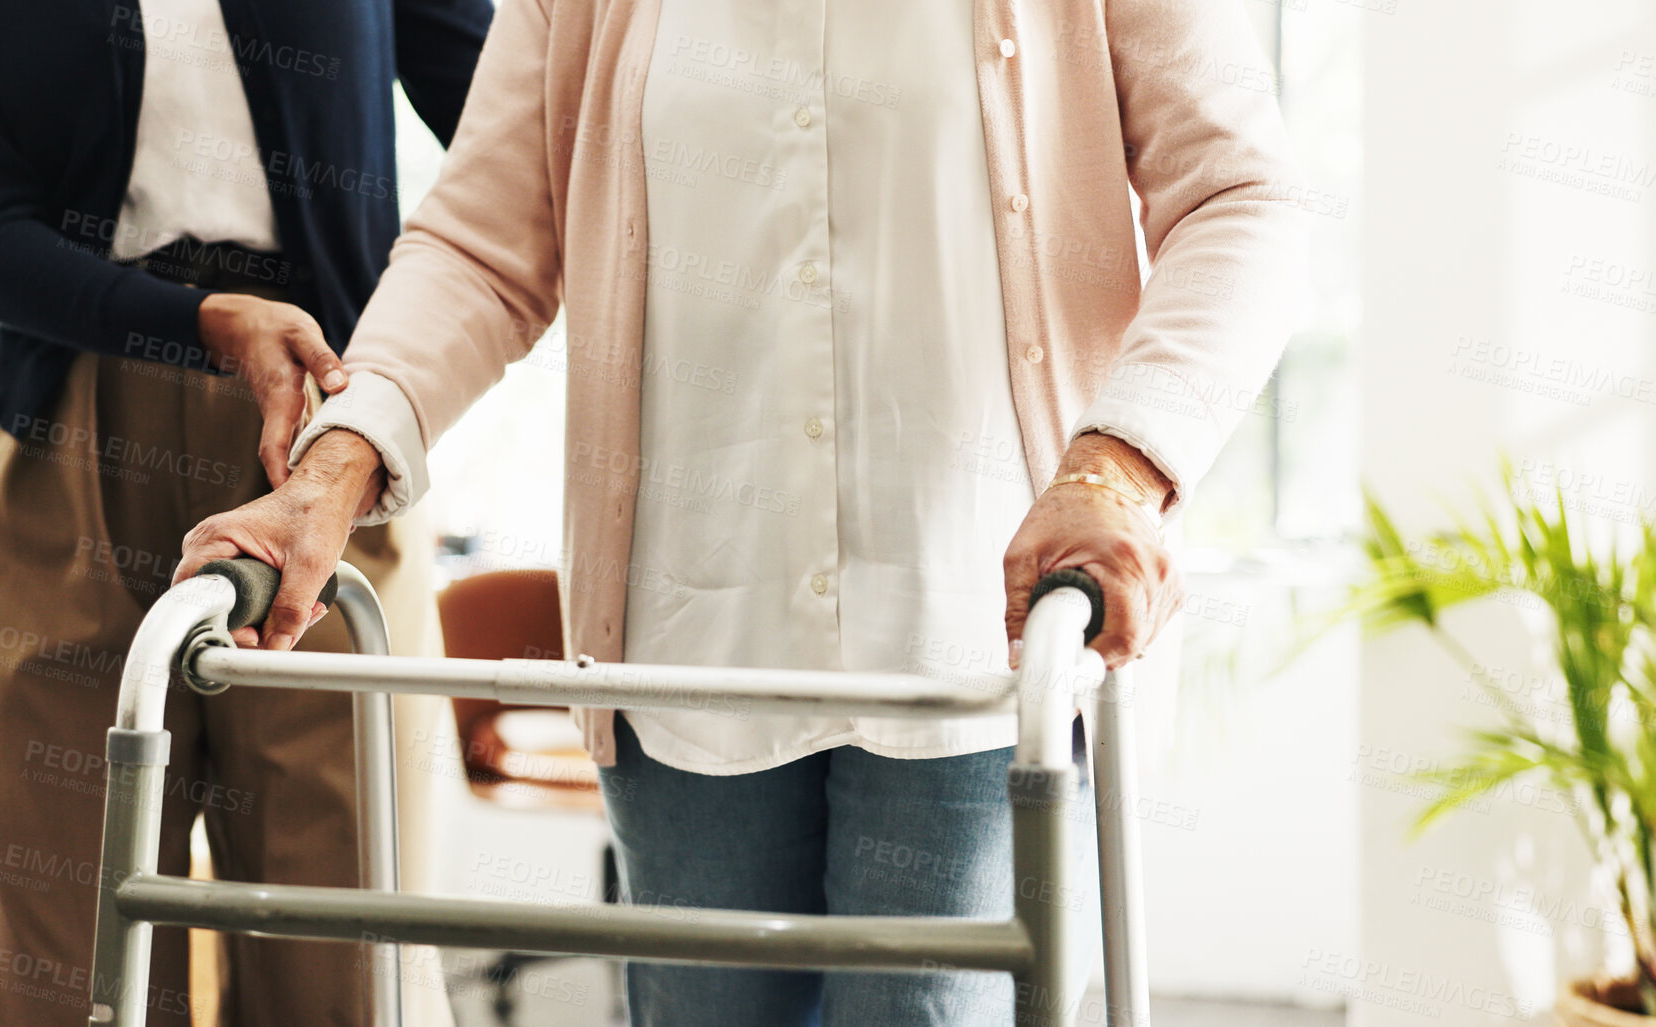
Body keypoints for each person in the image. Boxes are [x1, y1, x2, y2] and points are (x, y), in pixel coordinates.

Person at [178, 0, 1307, 1022]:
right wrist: (329, 474)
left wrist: (1115, 466)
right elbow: (482, 251)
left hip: (973, 638)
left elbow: (1240, 198)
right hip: (689, 642)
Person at [0, 0, 492, 1023]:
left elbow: (519, 132)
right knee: (70, 972)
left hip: (327, 439)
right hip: (63, 440)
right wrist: (200, 321)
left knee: (348, 965)